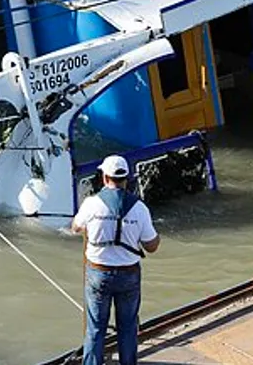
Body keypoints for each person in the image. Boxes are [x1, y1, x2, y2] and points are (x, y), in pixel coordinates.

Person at [70, 155, 160, 365]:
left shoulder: (92, 204)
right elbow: (152, 246)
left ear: (104, 177)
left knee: (95, 328)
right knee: (128, 327)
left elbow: (75, 227)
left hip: (98, 273)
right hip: (128, 274)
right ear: (126, 178)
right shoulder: (140, 208)